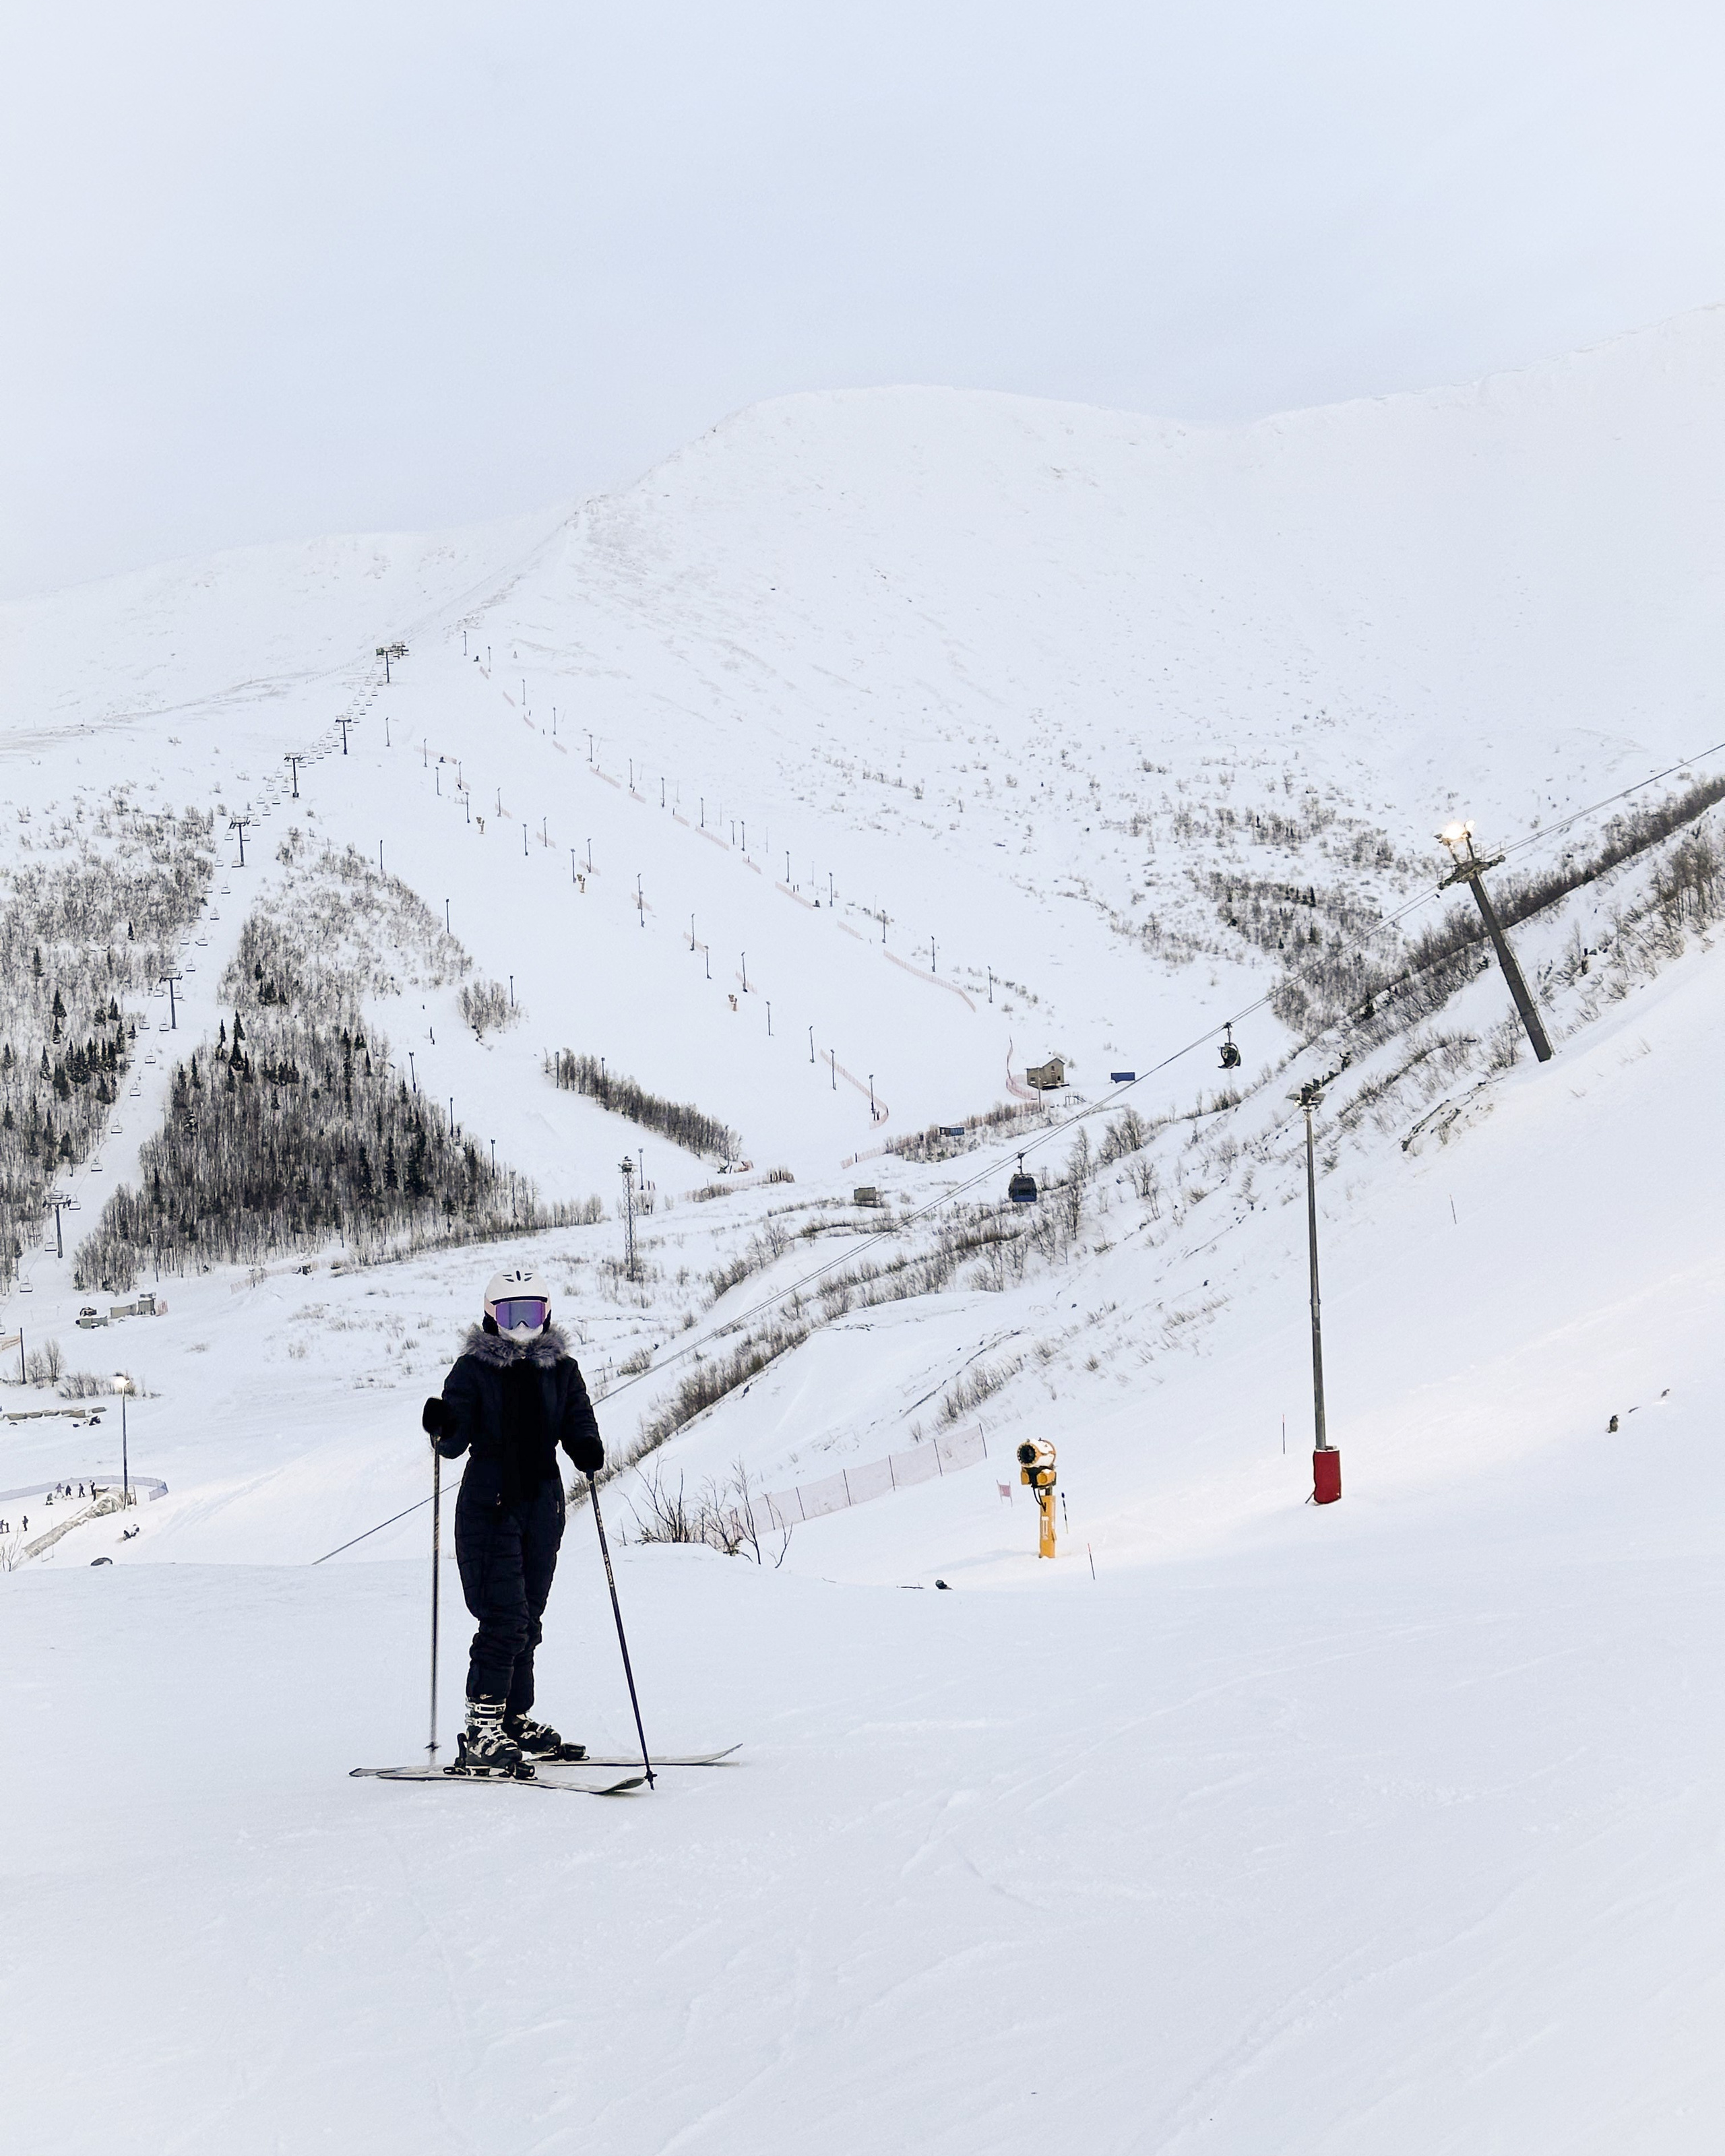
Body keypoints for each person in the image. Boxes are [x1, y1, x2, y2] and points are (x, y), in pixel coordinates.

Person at [421, 1267, 604, 1776]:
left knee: (529, 1619)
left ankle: (512, 1719)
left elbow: (578, 1420)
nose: (522, 1326)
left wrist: (586, 1446)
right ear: (491, 1317)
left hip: (542, 1508)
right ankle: (481, 1731)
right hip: (489, 1507)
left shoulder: (562, 1369)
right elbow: (453, 1444)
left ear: (547, 1314)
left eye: (532, 1313)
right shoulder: (472, 1370)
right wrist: (443, 1425)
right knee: (504, 1619)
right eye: (511, 1315)